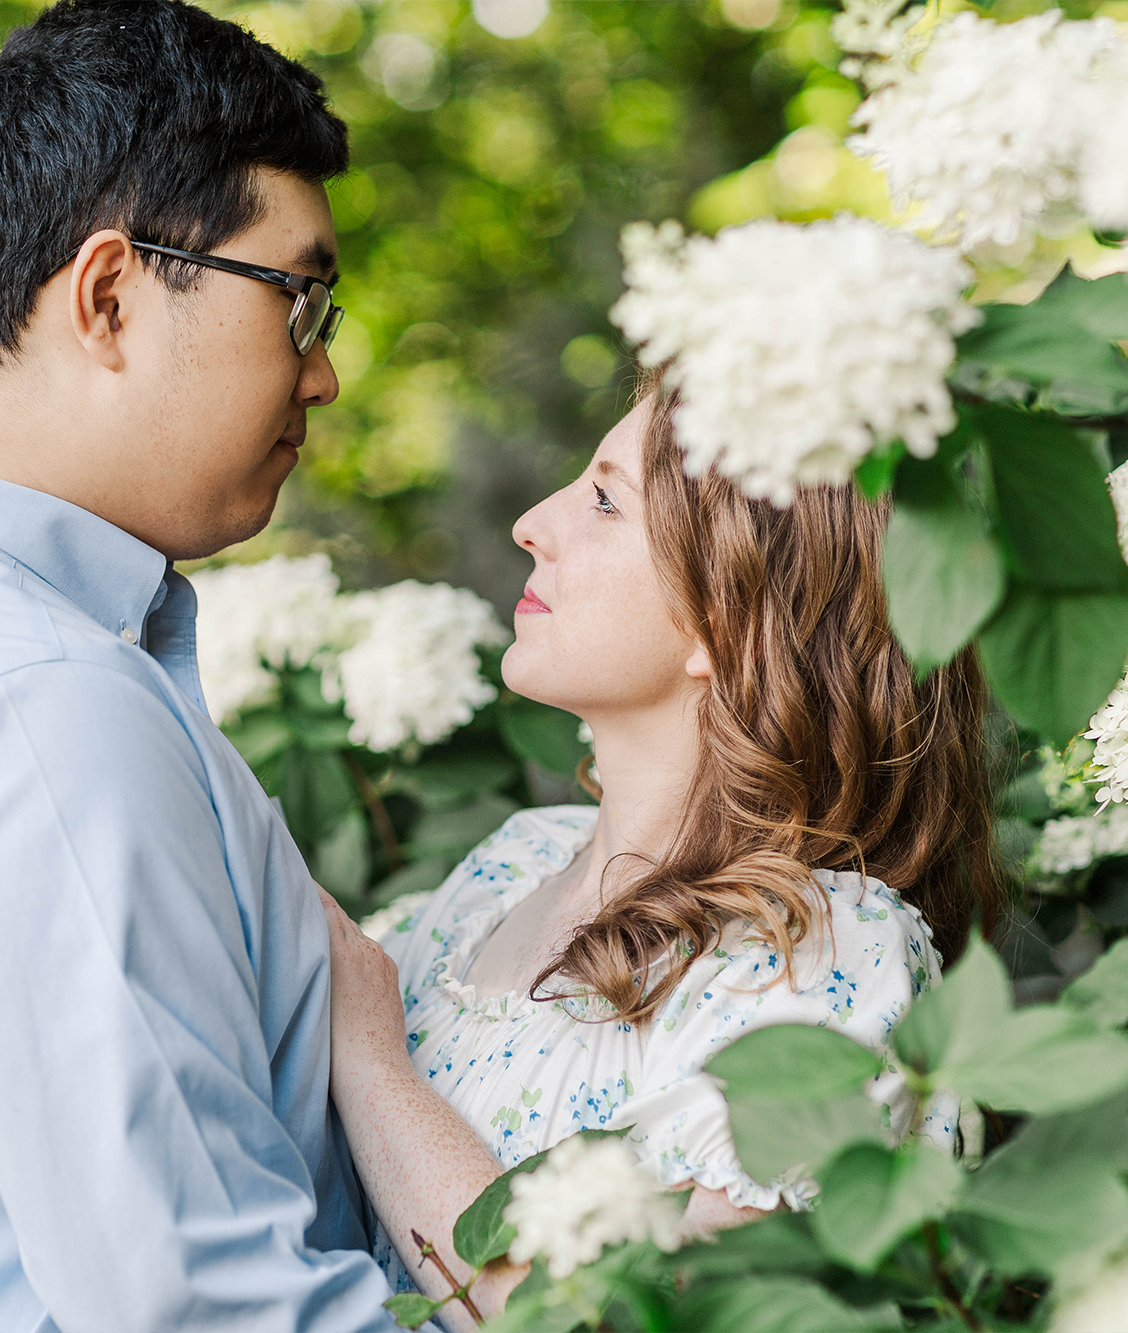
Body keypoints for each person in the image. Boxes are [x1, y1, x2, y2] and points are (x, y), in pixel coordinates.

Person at [0, 2, 401, 1328]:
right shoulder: (34, 702)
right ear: (109, 295)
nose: (324, 374)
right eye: (301, 299)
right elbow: (208, 1306)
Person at [320, 378, 1007, 1326]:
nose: (532, 522)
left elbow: (630, 1318)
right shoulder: (509, 864)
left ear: (726, 613)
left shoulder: (819, 951)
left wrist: (370, 1063)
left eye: (606, 499)